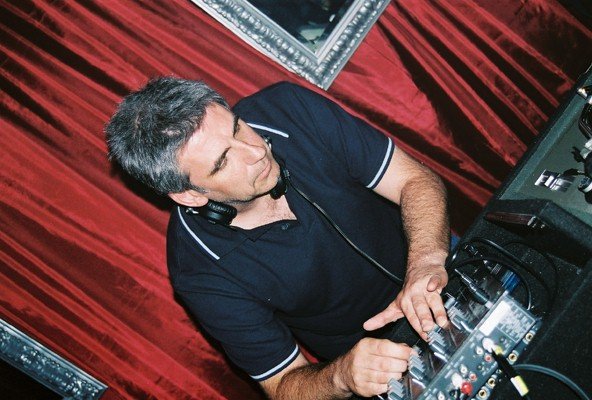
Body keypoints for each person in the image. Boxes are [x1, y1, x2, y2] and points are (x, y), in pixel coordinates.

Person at [105, 77, 450, 399]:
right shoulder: (201, 272)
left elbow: (414, 180)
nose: (255, 151)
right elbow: (282, 384)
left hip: (434, 263)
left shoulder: (288, 108)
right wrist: (342, 376)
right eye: (223, 161)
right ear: (190, 195)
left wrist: (426, 262)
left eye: (237, 127)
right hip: (377, 359)